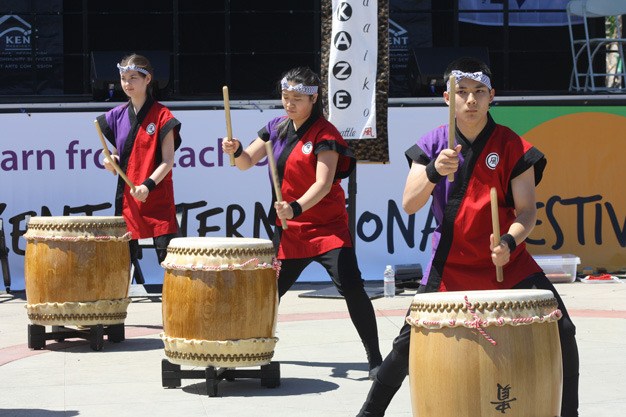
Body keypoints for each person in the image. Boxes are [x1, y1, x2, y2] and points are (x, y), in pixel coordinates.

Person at [357, 57, 579, 416]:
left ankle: (570, 413)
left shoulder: (511, 145)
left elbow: (527, 211)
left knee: (562, 329)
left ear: (492, 96)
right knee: (406, 345)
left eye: (479, 92)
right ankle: (369, 413)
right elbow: (410, 204)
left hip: (506, 259)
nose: (470, 100)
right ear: (447, 99)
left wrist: (509, 241)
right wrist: (433, 170)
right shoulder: (432, 143)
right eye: (461, 93)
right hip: (451, 261)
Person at [222, 66, 383, 379]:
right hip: (290, 232)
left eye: (297, 98)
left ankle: (375, 358)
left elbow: (323, 185)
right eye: (285, 97)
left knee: (352, 287)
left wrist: (295, 207)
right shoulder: (276, 127)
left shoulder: (326, 134)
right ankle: (244, 352)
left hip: (328, 230)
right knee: (268, 294)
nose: (289, 103)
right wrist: (237, 149)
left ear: (314, 98)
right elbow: (245, 163)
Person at [97, 53, 182, 266]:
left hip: (157, 196)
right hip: (129, 198)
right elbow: (117, 153)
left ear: (148, 79)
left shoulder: (163, 115)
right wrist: (109, 160)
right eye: (124, 78)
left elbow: (168, 160)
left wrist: (147, 185)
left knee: (170, 260)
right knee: (122, 261)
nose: (127, 83)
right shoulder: (116, 115)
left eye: (133, 77)